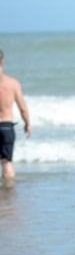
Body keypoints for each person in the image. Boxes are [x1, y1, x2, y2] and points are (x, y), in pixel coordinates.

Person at [0, 49, 31, 180]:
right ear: (3, 62)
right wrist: (27, 124)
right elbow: (22, 108)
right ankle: (8, 194)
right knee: (7, 163)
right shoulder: (13, 83)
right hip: (6, 127)